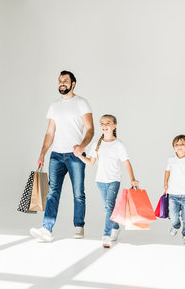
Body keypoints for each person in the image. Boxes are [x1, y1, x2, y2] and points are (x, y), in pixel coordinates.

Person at [30, 70, 94, 242]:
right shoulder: (54, 106)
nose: (62, 83)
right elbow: (50, 133)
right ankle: (46, 229)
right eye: (60, 80)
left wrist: (82, 146)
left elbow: (90, 129)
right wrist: (42, 153)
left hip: (75, 155)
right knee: (52, 193)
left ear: (73, 84)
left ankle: (79, 225)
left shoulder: (82, 103)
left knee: (78, 193)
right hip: (56, 155)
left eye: (65, 80)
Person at [75, 114, 138, 248]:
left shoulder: (119, 144)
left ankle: (106, 235)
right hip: (100, 181)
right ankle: (115, 227)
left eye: (108, 123)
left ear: (114, 126)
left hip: (114, 180)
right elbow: (91, 163)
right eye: (102, 123)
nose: (104, 125)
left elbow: (126, 162)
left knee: (109, 206)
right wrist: (80, 156)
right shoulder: (96, 145)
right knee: (108, 208)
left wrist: (132, 178)